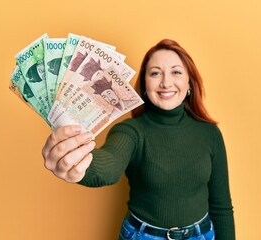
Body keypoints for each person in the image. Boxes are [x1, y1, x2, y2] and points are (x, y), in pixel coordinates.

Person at [42, 39, 236, 240]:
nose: (166, 83)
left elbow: (221, 206)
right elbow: (108, 166)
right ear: (144, 84)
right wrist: (79, 165)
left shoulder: (210, 134)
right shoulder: (131, 131)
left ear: (189, 82)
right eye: (155, 73)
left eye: (176, 72)